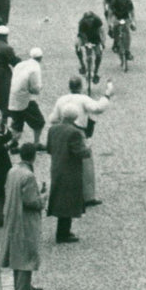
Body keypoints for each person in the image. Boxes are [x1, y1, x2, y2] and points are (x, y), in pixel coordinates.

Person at [49, 76, 113, 207]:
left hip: (63, 130)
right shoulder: (83, 99)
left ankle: (67, 194)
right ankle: (88, 196)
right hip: (78, 132)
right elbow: (98, 108)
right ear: (81, 86)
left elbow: (53, 118)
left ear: (69, 86)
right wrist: (107, 94)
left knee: (65, 161)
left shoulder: (61, 100)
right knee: (86, 162)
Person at [0, 143, 46, 290]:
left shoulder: (13, 170)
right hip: (25, 219)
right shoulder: (28, 175)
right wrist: (43, 198)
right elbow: (31, 201)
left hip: (13, 215)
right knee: (27, 252)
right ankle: (23, 289)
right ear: (33, 156)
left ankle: (22, 286)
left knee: (17, 252)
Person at [46, 104, 89, 244]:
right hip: (70, 170)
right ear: (75, 117)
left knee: (60, 199)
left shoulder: (52, 129)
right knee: (68, 200)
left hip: (57, 167)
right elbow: (81, 153)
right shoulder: (74, 132)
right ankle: (63, 233)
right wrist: (88, 147)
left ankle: (63, 231)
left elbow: (49, 149)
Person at [8, 47, 45, 147]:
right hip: (26, 100)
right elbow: (35, 89)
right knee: (39, 122)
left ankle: (13, 144)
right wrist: (40, 88)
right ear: (40, 58)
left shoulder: (20, 65)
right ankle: (36, 143)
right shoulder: (35, 68)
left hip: (13, 97)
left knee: (17, 124)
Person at [75, 11, 106, 85]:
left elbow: (102, 32)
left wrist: (103, 42)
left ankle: (95, 72)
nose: (89, 21)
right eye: (87, 20)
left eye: (90, 20)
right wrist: (85, 44)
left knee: (98, 55)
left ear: (93, 18)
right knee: (77, 45)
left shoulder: (97, 21)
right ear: (85, 20)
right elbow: (81, 34)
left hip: (95, 38)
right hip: (85, 38)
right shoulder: (82, 23)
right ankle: (82, 65)